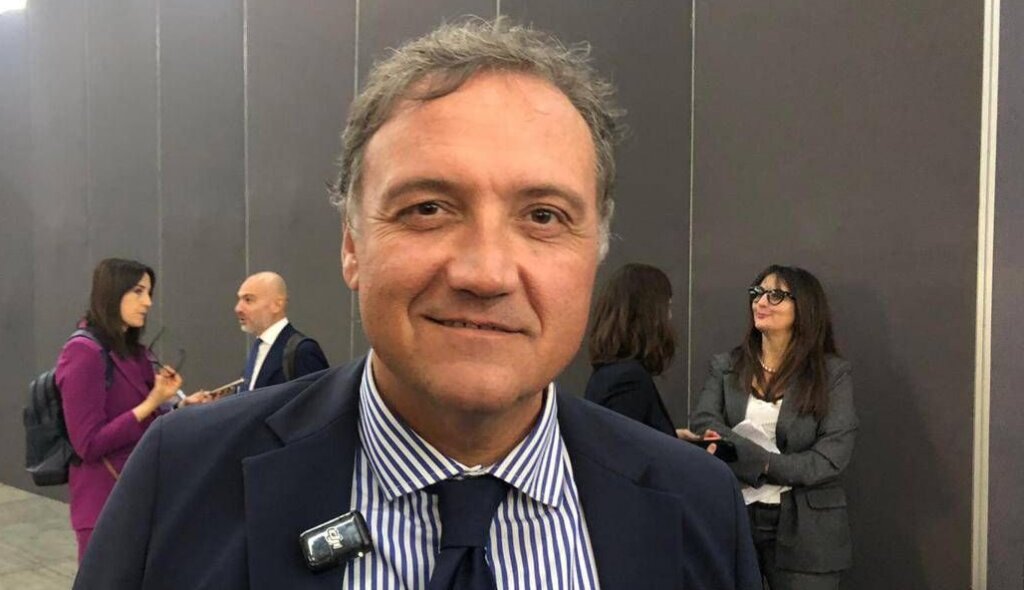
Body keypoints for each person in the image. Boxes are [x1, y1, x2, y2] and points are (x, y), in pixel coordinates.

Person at [73, 19, 760, 589]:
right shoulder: (183, 478)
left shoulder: (698, 508)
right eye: (429, 208)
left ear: (595, 254)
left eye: (544, 216)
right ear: (352, 246)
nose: (486, 272)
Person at [685, 264, 857, 590]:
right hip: (735, 517)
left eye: (775, 295)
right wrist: (757, 460)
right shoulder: (727, 365)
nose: (760, 302)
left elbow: (829, 459)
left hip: (807, 530)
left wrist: (761, 464)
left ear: (804, 307)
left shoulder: (832, 374)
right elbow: (704, 423)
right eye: (757, 293)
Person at [56, 258, 205, 561]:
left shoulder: (134, 352)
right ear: (112, 293)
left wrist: (178, 405)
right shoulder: (83, 352)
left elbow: (146, 419)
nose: (147, 302)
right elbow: (88, 444)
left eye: (149, 293)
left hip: (141, 494)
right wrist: (151, 402)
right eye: (138, 291)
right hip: (104, 503)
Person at [584, 263, 677, 437]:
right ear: (649, 314)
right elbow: (621, 448)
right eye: (667, 307)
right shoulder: (629, 380)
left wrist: (672, 440)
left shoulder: (608, 374)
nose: (669, 316)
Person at [234, 271, 329, 391]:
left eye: (248, 300)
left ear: (277, 305)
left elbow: (318, 399)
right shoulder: (258, 348)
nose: (238, 308)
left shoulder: (302, 351)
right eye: (239, 300)